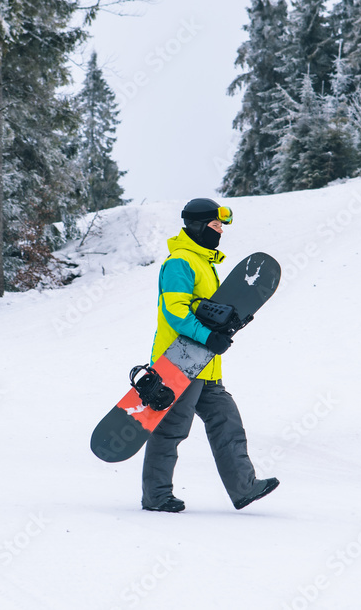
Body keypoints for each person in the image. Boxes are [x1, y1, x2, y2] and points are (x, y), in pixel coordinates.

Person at [141, 198, 279, 513]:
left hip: (204, 363)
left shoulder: (205, 262)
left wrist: (227, 324)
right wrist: (208, 336)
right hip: (178, 362)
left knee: (227, 421)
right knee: (172, 429)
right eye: (215, 225)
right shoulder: (180, 262)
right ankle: (156, 496)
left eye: (220, 227)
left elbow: (204, 310)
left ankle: (244, 488)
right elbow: (175, 311)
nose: (219, 231)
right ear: (198, 225)